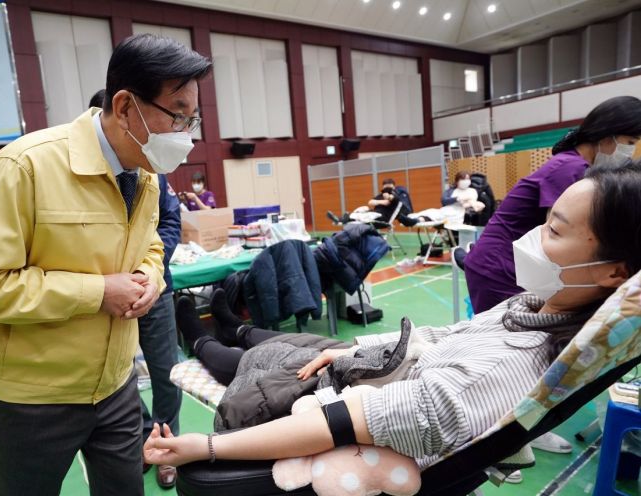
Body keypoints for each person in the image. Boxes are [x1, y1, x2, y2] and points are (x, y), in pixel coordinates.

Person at [144, 164, 641, 473]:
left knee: (253, 360)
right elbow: (439, 332)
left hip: (358, 392)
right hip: (385, 365)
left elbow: (337, 423)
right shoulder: (532, 309)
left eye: (553, 229)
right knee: (305, 345)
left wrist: (205, 447)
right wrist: (352, 350)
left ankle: (201, 337)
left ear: (615, 271)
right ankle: (229, 325)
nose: (533, 236)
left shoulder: (498, 371)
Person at [0, 34, 211, 496]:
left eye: (193, 118)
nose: (187, 132)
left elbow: (149, 243)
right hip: (33, 399)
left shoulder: (145, 173)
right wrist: (97, 292)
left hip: (116, 386)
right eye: (178, 115)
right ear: (126, 106)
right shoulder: (25, 168)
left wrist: (149, 276)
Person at [462, 95, 641, 314]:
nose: (631, 151)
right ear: (607, 135)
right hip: (498, 265)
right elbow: (556, 236)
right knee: (507, 338)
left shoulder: (573, 165)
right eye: (630, 142)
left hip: (504, 259)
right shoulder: (570, 169)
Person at [89, 88, 184, 487]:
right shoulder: (83, 176)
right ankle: (145, 434)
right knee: (119, 377)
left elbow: (169, 226)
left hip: (154, 292)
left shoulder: (154, 172)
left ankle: (167, 448)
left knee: (166, 373)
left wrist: (148, 274)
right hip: (107, 300)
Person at [327, 178, 419, 228]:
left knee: (365, 215)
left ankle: (343, 219)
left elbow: (391, 199)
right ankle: (341, 219)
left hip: (382, 219)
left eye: (390, 188)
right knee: (363, 209)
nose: (387, 190)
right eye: (385, 188)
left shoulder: (396, 196)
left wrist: (388, 196)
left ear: (393, 187)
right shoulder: (380, 195)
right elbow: (370, 202)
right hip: (374, 215)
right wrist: (382, 201)